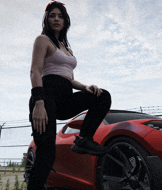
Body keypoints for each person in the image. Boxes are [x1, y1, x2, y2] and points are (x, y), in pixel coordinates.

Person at [28, 1, 111, 190]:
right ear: (47, 19)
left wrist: (86, 87)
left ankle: (84, 140)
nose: (56, 19)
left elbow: (69, 79)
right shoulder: (42, 40)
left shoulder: (67, 49)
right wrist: (38, 103)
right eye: (52, 15)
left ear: (66, 21)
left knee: (103, 96)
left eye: (60, 16)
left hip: (65, 99)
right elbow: (35, 70)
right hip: (45, 98)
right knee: (47, 153)